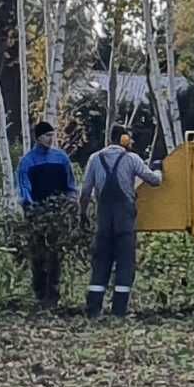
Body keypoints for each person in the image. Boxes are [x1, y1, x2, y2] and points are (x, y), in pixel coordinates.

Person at [79, 126, 164, 318]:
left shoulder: (94, 159)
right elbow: (154, 181)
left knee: (100, 263)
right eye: (130, 139)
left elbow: (85, 193)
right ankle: (119, 312)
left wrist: (82, 214)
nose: (132, 142)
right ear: (124, 139)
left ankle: (93, 311)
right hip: (124, 223)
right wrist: (158, 169)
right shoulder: (132, 159)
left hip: (103, 222)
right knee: (125, 265)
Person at [16, 123, 76, 313]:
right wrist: (31, 207)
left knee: (55, 255)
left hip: (58, 214)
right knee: (38, 254)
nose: (50, 139)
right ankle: (40, 293)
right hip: (37, 214)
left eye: (52, 135)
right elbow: (24, 187)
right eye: (47, 135)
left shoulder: (61, 158)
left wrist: (71, 202)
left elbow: (70, 183)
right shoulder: (27, 162)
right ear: (38, 137)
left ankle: (53, 294)